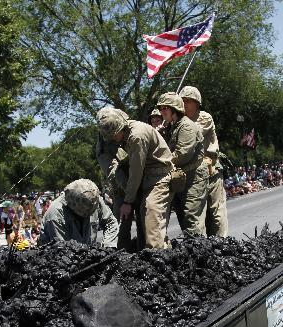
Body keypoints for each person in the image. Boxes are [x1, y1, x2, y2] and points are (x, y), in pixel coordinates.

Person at [97, 107, 174, 248]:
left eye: (114, 136)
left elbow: (136, 171)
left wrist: (127, 201)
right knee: (142, 222)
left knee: (151, 220)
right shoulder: (126, 133)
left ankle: (157, 257)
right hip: (146, 178)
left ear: (121, 127)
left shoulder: (136, 136)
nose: (114, 140)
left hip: (158, 177)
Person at [179, 86, 228, 237]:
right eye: (182, 100)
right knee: (195, 215)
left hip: (211, 171)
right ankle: (202, 248)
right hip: (193, 175)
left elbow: (191, 135)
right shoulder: (180, 121)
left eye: (189, 101)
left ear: (197, 103)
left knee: (216, 214)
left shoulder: (204, 117)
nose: (185, 104)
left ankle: (223, 244)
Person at [157, 92, 208, 236]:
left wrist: (158, 163)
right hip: (181, 178)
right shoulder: (174, 126)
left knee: (191, 220)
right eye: (161, 109)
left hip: (194, 178)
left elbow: (181, 155)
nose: (162, 111)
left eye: (165, 108)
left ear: (175, 109)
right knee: (184, 219)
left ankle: (200, 252)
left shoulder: (186, 126)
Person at [39, 179, 119, 247]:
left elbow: (110, 222)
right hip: (57, 258)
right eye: (85, 211)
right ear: (72, 205)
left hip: (86, 251)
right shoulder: (55, 216)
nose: (89, 212)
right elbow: (63, 251)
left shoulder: (92, 198)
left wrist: (108, 247)